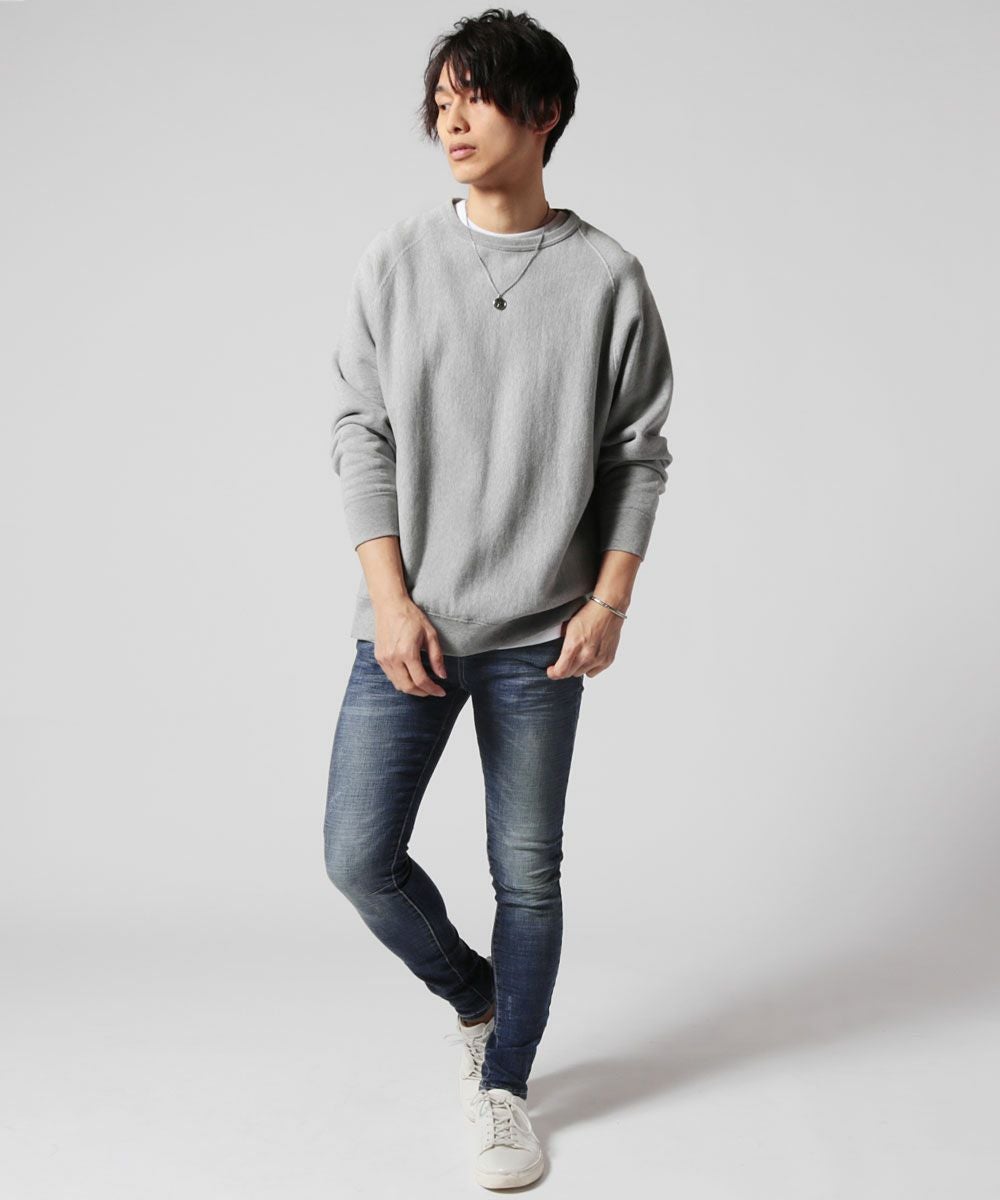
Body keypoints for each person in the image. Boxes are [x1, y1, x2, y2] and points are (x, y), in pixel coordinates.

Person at [323, 7, 674, 1189]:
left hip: (541, 638)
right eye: (440, 102)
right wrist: (391, 600)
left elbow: (636, 456)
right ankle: (477, 997)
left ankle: (504, 1085)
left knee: (527, 873)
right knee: (357, 856)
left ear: (543, 112)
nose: (451, 121)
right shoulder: (396, 261)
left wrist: (608, 602)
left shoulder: (607, 276)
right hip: (410, 626)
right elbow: (360, 435)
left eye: (472, 97)